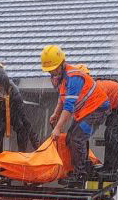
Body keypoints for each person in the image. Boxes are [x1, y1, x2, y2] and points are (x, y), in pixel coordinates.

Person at [41, 45, 111, 186]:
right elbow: (62, 100)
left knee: (77, 139)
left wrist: (58, 128)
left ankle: (80, 175)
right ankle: (82, 167)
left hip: (97, 111)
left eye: (54, 69)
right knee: (70, 139)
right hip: (86, 112)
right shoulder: (62, 78)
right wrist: (55, 114)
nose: (52, 73)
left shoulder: (73, 77)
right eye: (50, 71)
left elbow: (69, 106)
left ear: (62, 64)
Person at [0, 78, 41, 153]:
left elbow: (25, 121)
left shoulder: (14, 93)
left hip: (12, 109)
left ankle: (22, 154)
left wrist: (36, 142)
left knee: (22, 127)